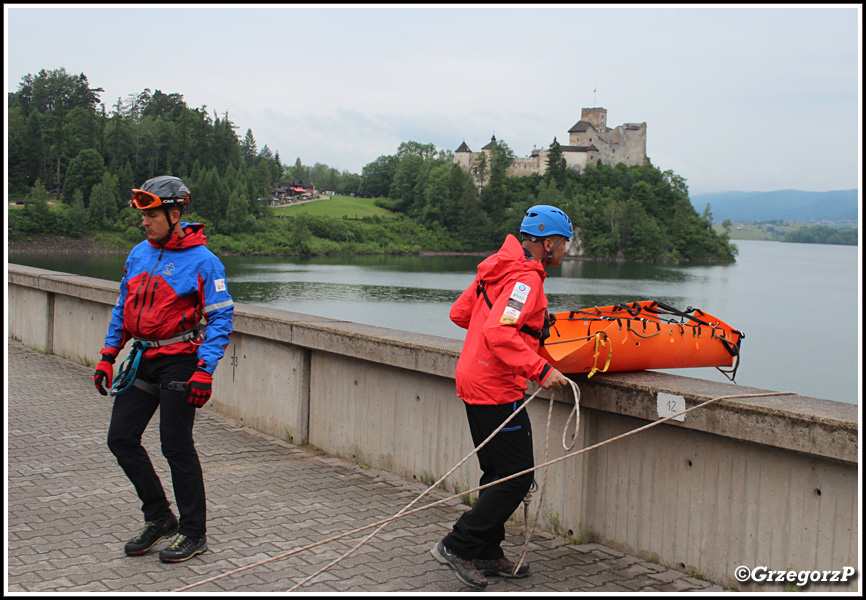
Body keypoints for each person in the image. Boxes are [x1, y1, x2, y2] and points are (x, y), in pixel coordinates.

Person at [93, 175, 234, 563]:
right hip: (142, 358)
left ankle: (193, 532)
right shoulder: (140, 253)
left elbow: (221, 319)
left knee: (176, 447)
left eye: (151, 214)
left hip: (180, 361)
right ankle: (159, 517)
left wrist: (205, 370)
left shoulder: (205, 261)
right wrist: (108, 355)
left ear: (175, 214)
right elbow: (123, 307)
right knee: (121, 438)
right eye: (142, 215)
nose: (145, 221)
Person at [431, 205, 572, 590]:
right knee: (516, 477)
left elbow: (460, 314)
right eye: (563, 245)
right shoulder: (525, 281)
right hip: (496, 387)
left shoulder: (497, 268)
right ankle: (457, 546)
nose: (565, 252)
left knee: (496, 473)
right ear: (548, 243)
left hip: (473, 378)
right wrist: (542, 370)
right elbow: (500, 333)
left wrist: (504, 321)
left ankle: (487, 552)